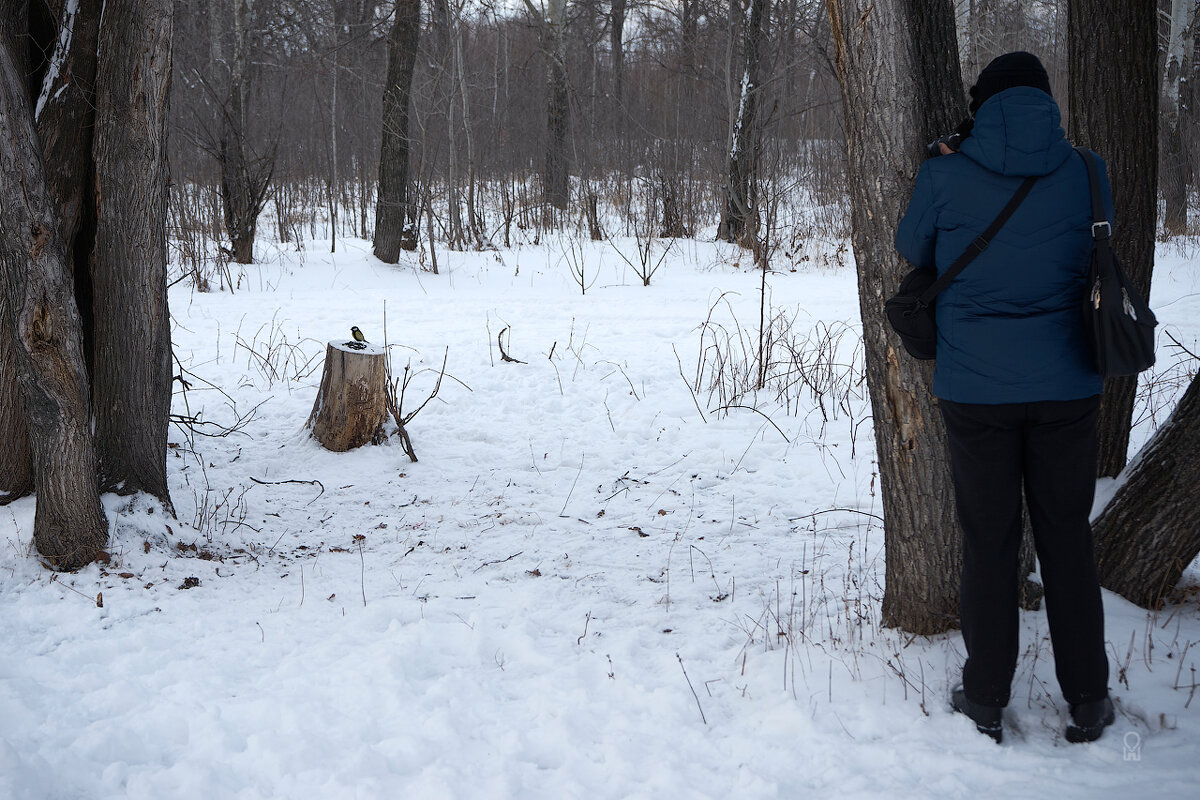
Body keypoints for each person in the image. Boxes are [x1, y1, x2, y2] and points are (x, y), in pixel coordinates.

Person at [895, 52, 1115, 745]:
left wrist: (942, 158)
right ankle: (1087, 699)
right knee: (1066, 541)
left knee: (989, 542)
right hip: (1068, 380)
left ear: (980, 106)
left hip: (977, 388)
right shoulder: (1087, 170)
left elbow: (912, 247)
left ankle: (986, 696)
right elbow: (1095, 250)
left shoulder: (945, 171)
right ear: (1046, 105)